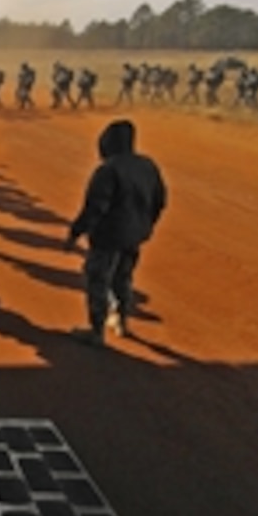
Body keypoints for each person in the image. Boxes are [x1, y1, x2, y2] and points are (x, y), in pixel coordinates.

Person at [64, 120, 166, 346]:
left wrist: (74, 233)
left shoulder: (108, 170)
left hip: (107, 236)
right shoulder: (147, 166)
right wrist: (145, 225)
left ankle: (96, 331)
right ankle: (121, 321)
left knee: (98, 280)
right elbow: (160, 201)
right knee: (123, 277)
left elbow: (95, 208)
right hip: (134, 235)